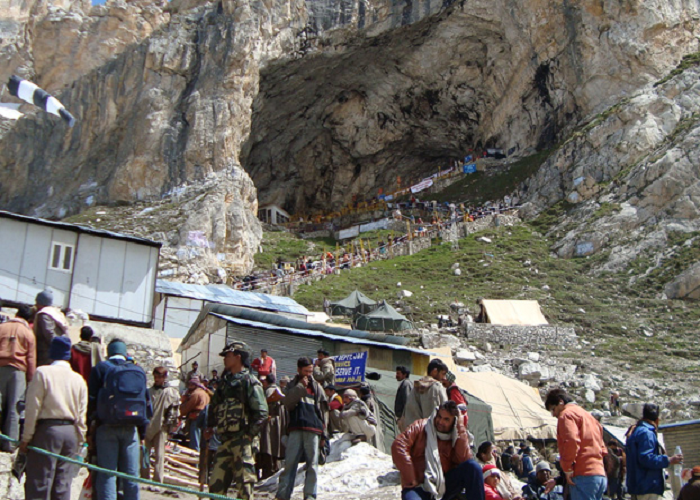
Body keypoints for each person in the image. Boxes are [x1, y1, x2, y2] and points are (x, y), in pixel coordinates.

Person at [20, 336, 87, 500]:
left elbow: (32, 408)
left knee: (40, 482)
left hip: (48, 431)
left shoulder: (43, 372)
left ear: (52, 352)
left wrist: (26, 438)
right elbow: (81, 416)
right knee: (62, 484)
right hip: (70, 433)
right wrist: (80, 440)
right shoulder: (78, 379)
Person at [89, 339, 152, 500]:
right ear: (125, 353)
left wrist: (90, 427)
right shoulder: (137, 370)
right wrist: (143, 434)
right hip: (132, 429)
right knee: (131, 477)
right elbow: (146, 404)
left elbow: (92, 400)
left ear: (108, 352)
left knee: (108, 474)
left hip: (106, 428)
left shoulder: (100, 368)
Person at [206, 342, 268, 500]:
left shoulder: (250, 382)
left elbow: (261, 413)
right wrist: (210, 426)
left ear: (238, 357)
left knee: (245, 487)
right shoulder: (224, 383)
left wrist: (249, 435)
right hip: (225, 440)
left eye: (228, 355)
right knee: (215, 486)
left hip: (243, 442)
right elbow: (214, 407)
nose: (225, 359)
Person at [392, 400, 484, 500]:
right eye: (439, 416)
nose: (440, 422)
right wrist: (410, 477)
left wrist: (460, 428)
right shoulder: (421, 426)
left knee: (473, 467)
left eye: (446, 419)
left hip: (443, 485)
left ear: (454, 421)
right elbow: (399, 445)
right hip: (418, 486)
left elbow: (464, 459)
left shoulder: (456, 434)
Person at [276, 357, 327, 500]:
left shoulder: (317, 387)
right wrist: (300, 387)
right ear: (298, 370)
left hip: (314, 429)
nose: (308, 375)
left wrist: (324, 434)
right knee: (290, 464)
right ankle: (283, 495)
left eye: (310, 371)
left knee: (312, 465)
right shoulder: (292, 385)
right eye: (305, 371)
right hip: (296, 428)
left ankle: (310, 496)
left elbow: (323, 412)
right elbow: (287, 403)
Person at [545, 388, 607, 500]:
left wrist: (568, 469)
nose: (554, 414)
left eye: (553, 409)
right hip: (600, 476)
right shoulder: (590, 417)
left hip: (582, 476)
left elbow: (571, 441)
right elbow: (603, 449)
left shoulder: (566, 415)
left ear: (560, 402)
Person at [626, 403, 683, 500]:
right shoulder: (647, 433)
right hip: (648, 486)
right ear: (657, 420)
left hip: (638, 486)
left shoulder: (636, 431)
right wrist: (669, 460)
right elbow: (646, 458)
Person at [0, 305, 35, 451]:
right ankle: (10, 443)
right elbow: (31, 358)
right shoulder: (28, 333)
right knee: (14, 408)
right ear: (29, 319)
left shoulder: (2, 327)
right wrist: (31, 379)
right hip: (18, 372)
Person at [142, 366, 180, 483]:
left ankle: (158, 479)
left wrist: (169, 427)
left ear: (164, 377)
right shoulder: (148, 392)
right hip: (148, 426)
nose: (157, 379)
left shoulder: (170, 392)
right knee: (145, 454)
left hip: (161, 426)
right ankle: (144, 477)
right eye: (155, 377)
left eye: (159, 377)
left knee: (159, 455)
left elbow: (173, 411)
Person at [258, 373, 287, 480]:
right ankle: (274, 468)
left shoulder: (269, 391)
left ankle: (268, 471)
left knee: (267, 446)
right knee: (275, 446)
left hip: (269, 421)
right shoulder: (278, 389)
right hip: (277, 421)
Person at [403, 358, 448, 428]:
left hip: (413, 432)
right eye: (443, 374)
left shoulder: (416, 387)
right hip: (429, 433)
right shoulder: (436, 387)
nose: (444, 378)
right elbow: (440, 413)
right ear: (435, 372)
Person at [33, 289, 68, 367]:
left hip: (45, 353)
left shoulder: (44, 315)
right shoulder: (55, 312)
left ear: (41, 302)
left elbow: (49, 333)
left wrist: (55, 348)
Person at [179, 376, 211, 451]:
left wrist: (179, 413)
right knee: (202, 441)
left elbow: (187, 407)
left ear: (195, 385)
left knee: (195, 440)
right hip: (205, 418)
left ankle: (194, 457)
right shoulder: (204, 393)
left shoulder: (195, 394)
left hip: (196, 418)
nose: (189, 387)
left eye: (191, 385)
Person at [395, 365, 412, 432]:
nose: (396, 375)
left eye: (398, 373)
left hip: (405, 418)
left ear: (404, 374)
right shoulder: (405, 384)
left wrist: (404, 417)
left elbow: (407, 401)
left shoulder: (406, 384)